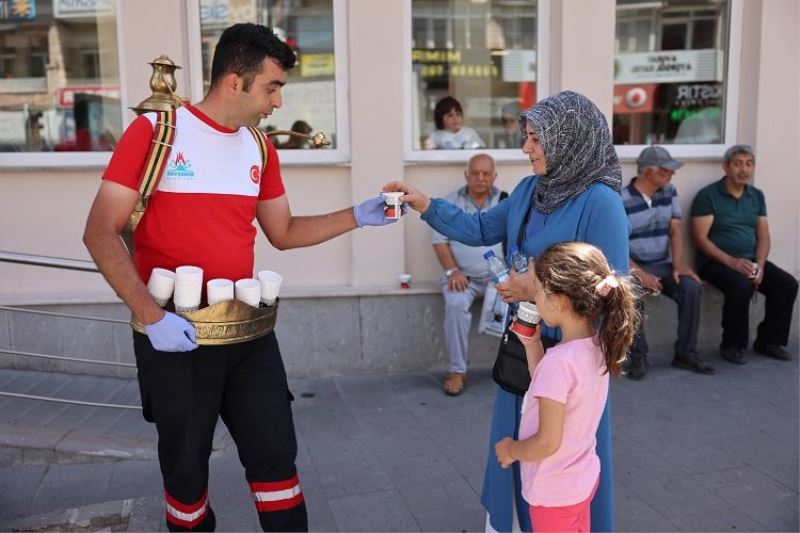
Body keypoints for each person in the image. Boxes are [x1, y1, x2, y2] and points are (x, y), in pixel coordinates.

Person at [83, 23, 397, 532]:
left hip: (248, 333)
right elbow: (100, 233)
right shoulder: (156, 133)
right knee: (185, 476)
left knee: (276, 457)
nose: (277, 101)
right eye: (272, 86)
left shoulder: (259, 146)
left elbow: (285, 231)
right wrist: (152, 317)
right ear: (235, 82)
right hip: (175, 337)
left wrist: (357, 216)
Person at [385, 90, 629, 533]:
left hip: (569, 361)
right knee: (518, 444)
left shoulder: (601, 203)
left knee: (561, 458)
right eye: (527, 136)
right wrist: (424, 203)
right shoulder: (530, 189)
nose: (526, 148)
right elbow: (480, 228)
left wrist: (535, 291)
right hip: (523, 346)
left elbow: (613, 290)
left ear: (567, 140)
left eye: (536, 138)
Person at [494, 242, 639, 533]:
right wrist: (534, 346)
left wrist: (511, 450)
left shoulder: (559, 362)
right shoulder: (596, 345)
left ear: (559, 300)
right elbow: (552, 388)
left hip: (553, 493)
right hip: (580, 480)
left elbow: (547, 443)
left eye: (537, 291)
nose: (534, 298)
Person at [690, 144, 798, 364]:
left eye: (749, 164)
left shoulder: (756, 196)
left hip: (750, 259)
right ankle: (732, 345)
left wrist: (759, 264)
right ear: (726, 167)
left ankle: (769, 341)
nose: (744, 169)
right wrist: (732, 262)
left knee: (787, 284)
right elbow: (700, 239)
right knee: (741, 285)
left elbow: (764, 236)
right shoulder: (708, 196)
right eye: (738, 163)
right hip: (715, 261)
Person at [622, 146, 714, 379]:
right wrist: (641, 274)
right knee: (630, 292)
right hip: (632, 266)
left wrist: (678, 265)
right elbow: (617, 246)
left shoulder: (669, 191)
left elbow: (675, 232)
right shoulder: (621, 199)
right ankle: (638, 357)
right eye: (666, 171)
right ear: (649, 172)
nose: (671, 175)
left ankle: (685, 354)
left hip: (663, 264)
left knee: (690, 287)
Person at [433, 153, 506, 396]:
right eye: (475, 173)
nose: (480, 178)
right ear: (467, 175)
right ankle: (457, 371)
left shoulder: (505, 201)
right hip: (462, 278)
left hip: (499, 278)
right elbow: (440, 242)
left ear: (494, 176)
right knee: (455, 304)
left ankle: (517, 367)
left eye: (486, 174)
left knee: (524, 306)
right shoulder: (451, 202)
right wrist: (453, 271)